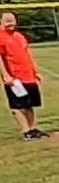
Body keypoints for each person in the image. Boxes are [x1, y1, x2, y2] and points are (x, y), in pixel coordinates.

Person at [0, 12, 48, 141]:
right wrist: (5, 75)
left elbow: (27, 54)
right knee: (18, 106)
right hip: (15, 78)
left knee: (30, 105)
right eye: (7, 21)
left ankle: (33, 128)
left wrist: (35, 71)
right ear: (1, 22)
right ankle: (26, 131)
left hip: (28, 76)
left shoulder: (19, 36)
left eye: (12, 20)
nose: (10, 23)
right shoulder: (1, 37)